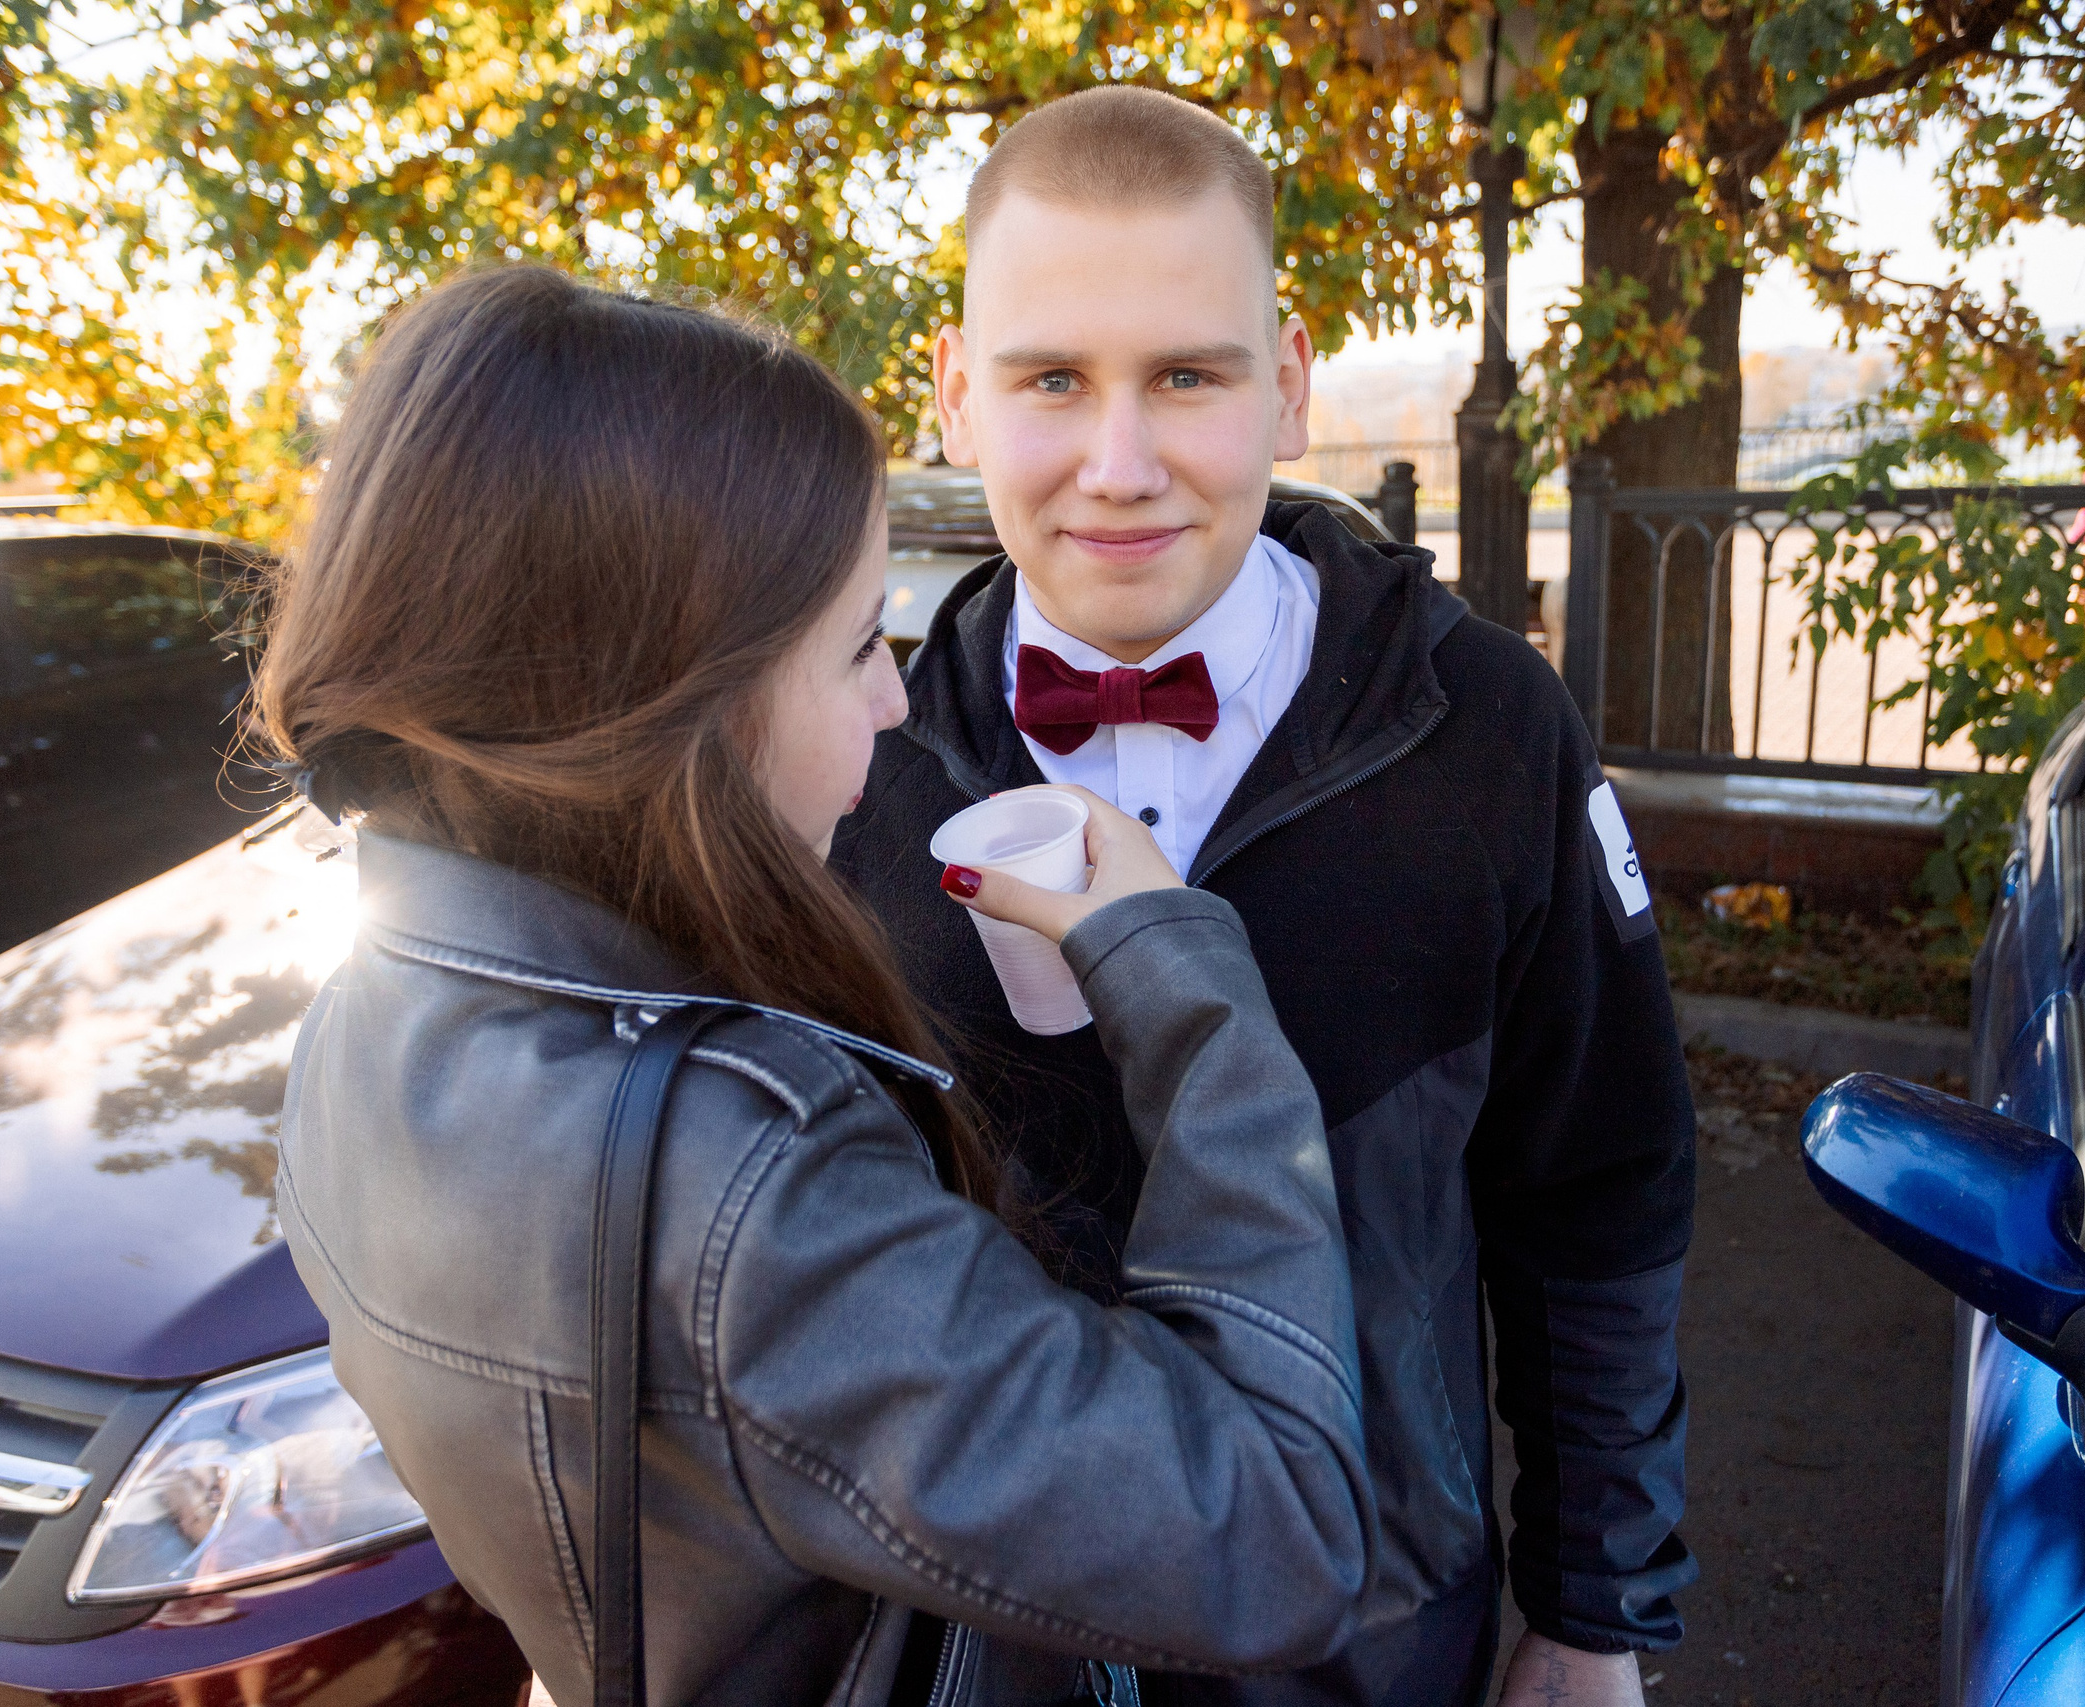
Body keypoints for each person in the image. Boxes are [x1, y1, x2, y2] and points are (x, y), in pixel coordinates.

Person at [260, 265, 1380, 1707]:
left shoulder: (368, 1011)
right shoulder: (743, 1194)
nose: (897, 698)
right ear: (673, 704)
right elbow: (1277, 1528)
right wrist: (1186, 977)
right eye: (857, 645)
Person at [832, 88, 1696, 1707]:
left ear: (1288, 383)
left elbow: (1603, 1190)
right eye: (1051, 381)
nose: (1120, 467)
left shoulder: (1485, 728)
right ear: (954, 397)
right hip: (981, 1647)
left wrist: (1595, 1613)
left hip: (1372, 1640)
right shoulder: (852, 761)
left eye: (1188, 377)